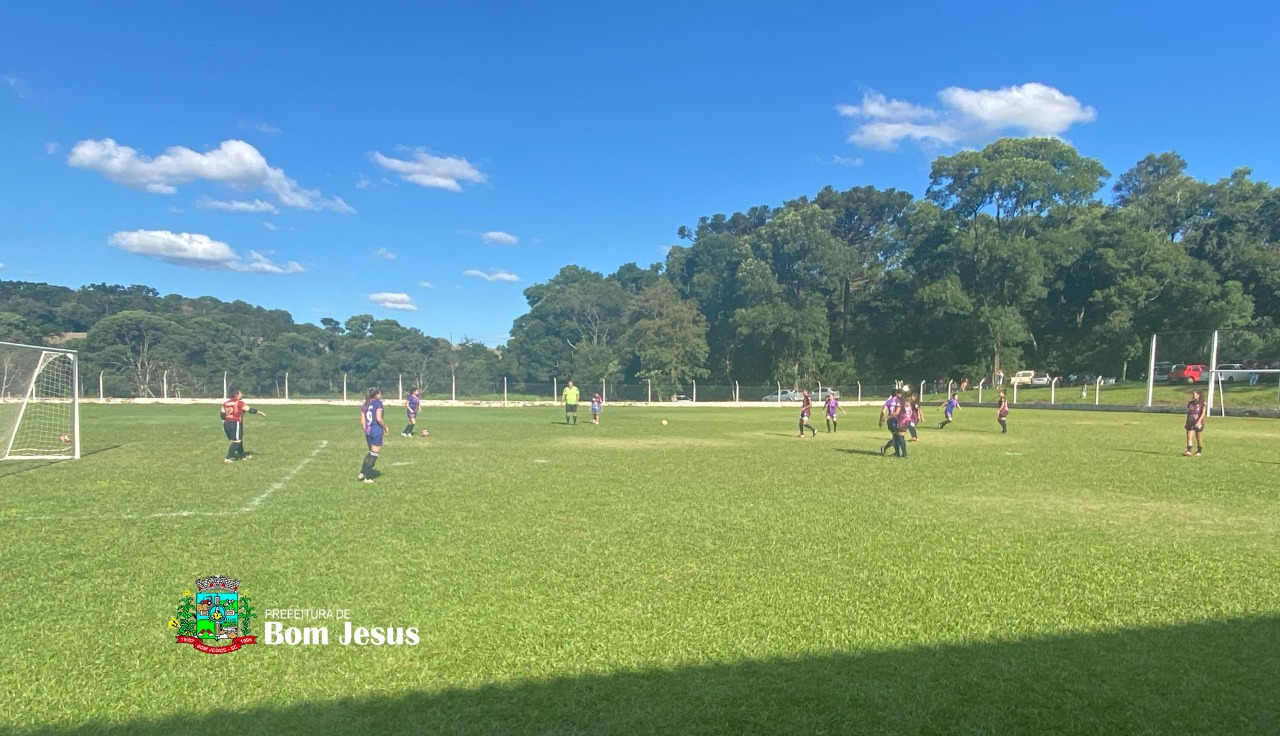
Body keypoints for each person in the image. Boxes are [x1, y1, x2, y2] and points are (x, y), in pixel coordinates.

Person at [220, 388, 265, 463]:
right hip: (235, 422)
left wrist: (223, 424)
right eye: (241, 393)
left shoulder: (226, 403)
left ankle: (243, 456)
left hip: (227, 423)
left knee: (239, 440)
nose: (242, 394)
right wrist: (260, 413)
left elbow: (222, 415)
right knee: (237, 441)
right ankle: (228, 458)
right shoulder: (239, 403)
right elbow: (249, 410)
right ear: (236, 395)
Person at [358, 387, 387, 483]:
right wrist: (384, 427)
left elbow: (362, 421)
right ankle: (368, 477)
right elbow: (379, 418)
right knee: (374, 454)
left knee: (370, 452)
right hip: (376, 430)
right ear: (376, 394)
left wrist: (366, 431)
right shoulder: (378, 403)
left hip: (368, 431)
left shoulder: (365, 404)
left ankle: (362, 473)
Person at [1183, 389, 1207, 456]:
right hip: (1190, 421)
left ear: (1198, 395)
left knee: (1198, 437)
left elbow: (1203, 413)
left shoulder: (1203, 403)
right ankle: (1189, 450)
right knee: (1189, 436)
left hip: (1198, 422)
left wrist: (1199, 421)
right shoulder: (1190, 403)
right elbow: (1189, 412)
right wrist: (1187, 421)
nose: (1192, 395)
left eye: (1194, 394)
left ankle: (1199, 451)